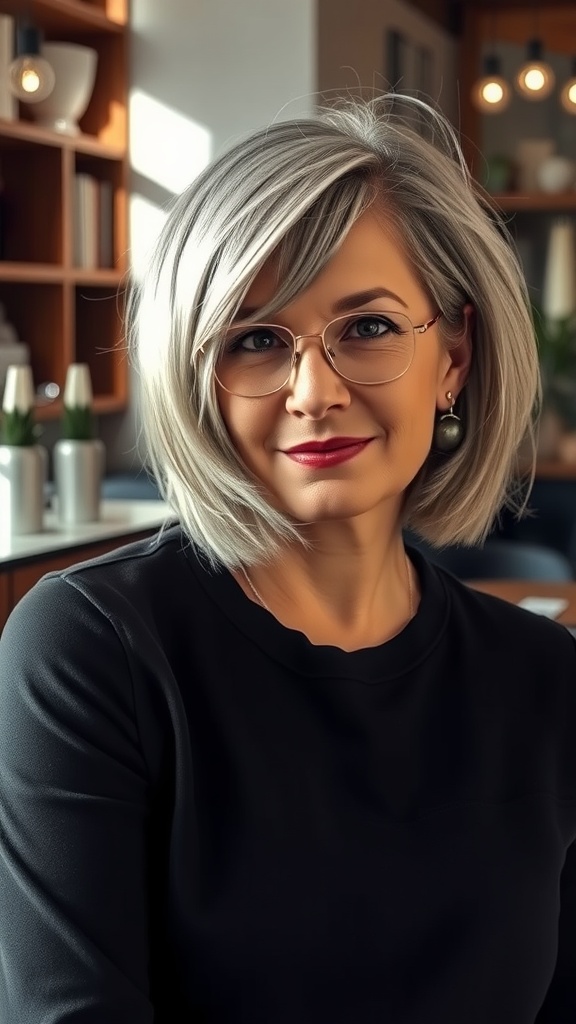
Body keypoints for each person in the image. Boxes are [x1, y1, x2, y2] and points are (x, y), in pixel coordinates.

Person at [0, 92, 574, 1024]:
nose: (316, 391)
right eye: (257, 340)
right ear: (200, 373)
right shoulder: (88, 651)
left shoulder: (550, 680)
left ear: (456, 355)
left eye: (370, 327)